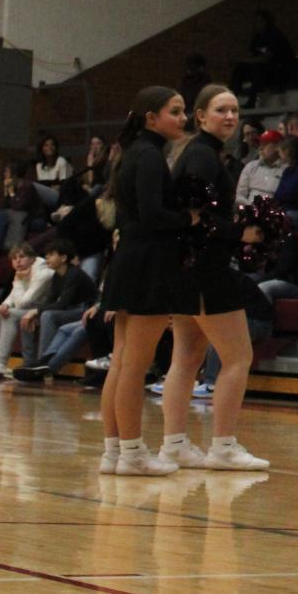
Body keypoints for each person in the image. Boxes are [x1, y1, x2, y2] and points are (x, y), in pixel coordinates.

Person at [157, 84, 269, 472]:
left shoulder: (200, 153)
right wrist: (243, 233)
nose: (230, 117)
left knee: (186, 359)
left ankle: (174, 443)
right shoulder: (203, 156)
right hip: (205, 268)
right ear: (200, 116)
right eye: (221, 110)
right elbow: (196, 216)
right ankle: (223, 445)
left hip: (186, 268)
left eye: (235, 111)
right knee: (238, 357)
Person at [94, 87, 194, 475]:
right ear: (151, 118)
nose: (182, 118)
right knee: (134, 365)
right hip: (149, 264)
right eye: (175, 111)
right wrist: (190, 219)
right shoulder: (150, 156)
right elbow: (153, 214)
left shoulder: (131, 152)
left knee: (122, 363)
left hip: (128, 261)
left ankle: (114, 452)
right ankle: (133, 454)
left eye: (184, 111)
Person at [9, 240, 97, 382]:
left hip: (86, 310)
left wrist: (37, 311)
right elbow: (50, 301)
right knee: (31, 316)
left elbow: (62, 304)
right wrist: (35, 313)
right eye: (46, 255)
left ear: (63, 258)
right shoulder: (57, 275)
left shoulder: (74, 274)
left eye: (51, 255)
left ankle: (41, 362)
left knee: (47, 315)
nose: (47, 258)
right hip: (71, 310)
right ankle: (29, 363)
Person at [230, 10, 297, 98]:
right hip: (264, 70)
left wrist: (243, 60)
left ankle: (252, 99)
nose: (257, 24)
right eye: (255, 22)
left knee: (257, 69)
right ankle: (233, 96)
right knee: (240, 69)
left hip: (280, 70)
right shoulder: (257, 38)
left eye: (260, 21)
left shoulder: (275, 35)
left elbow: (265, 58)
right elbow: (254, 55)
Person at [235, 131, 283, 204]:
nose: (261, 148)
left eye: (265, 144)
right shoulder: (251, 166)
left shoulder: (286, 169)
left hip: (273, 210)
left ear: (277, 147)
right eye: (260, 144)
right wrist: (251, 207)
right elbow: (240, 196)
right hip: (249, 209)